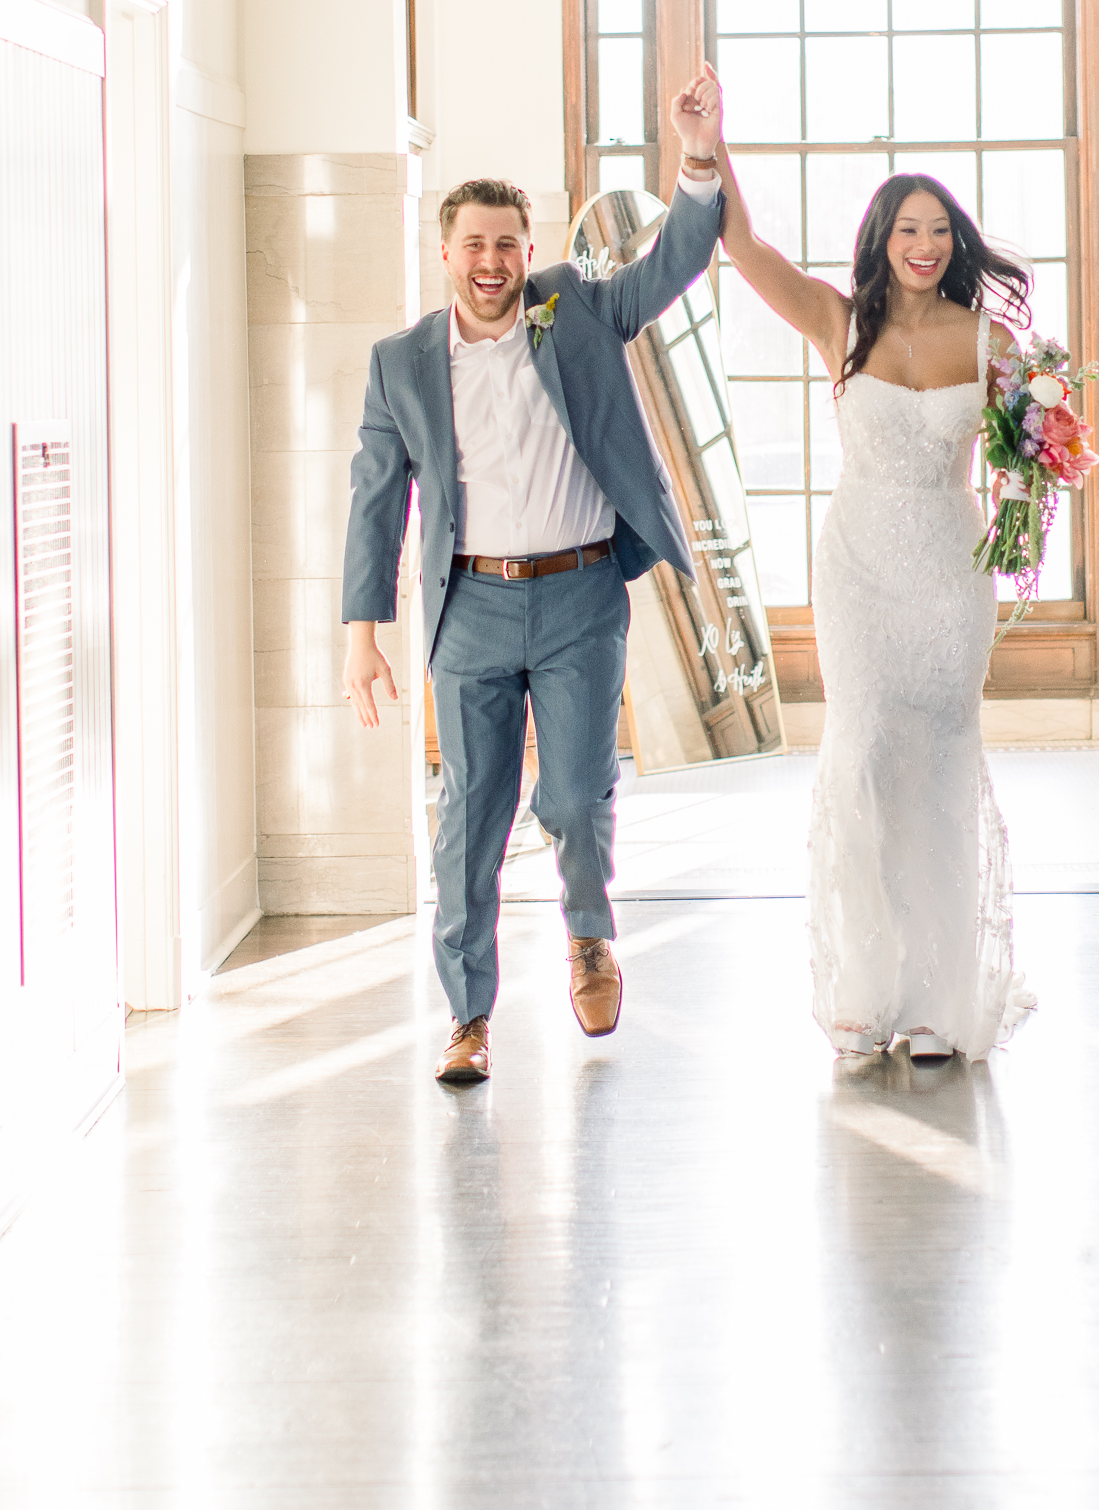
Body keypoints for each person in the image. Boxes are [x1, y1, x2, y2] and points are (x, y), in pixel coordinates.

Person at [340, 75, 725, 1085]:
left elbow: (675, 261)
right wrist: (360, 629)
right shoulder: (401, 365)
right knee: (469, 813)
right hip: (466, 606)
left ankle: (588, 935)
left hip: (578, 596)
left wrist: (694, 156)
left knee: (571, 793)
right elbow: (376, 500)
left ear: (528, 249)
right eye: (473, 243)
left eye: (508, 243)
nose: (492, 262)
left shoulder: (575, 311)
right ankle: (468, 1017)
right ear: (444, 253)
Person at [714, 100, 1038, 1062]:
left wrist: (1035, 470)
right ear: (881, 238)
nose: (926, 245)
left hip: (947, 570)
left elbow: (1035, 455)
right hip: (857, 567)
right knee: (858, 756)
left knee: (936, 764)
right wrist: (712, 145)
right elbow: (741, 241)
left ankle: (939, 996)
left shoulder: (990, 344)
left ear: (956, 243)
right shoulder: (835, 319)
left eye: (940, 230)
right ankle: (864, 986)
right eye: (909, 228)